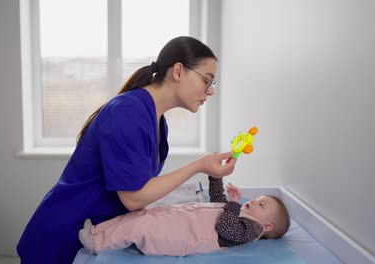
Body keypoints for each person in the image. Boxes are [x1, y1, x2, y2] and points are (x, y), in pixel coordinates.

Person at [17, 36, 237, 263]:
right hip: (64, 235)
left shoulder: (157, 121)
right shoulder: (127, 112)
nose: (210, 91)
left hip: (95, 233)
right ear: (178, 71)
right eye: (207, 80)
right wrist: (199, 165)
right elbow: (134, 197)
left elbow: (142, 189)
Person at [78, 176, 291, 256]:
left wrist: (234, 204)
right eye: (259, 199)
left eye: (261, 204)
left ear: (267, 226)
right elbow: (216, 200)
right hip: (176, 219)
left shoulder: (248, 231)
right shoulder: (239, 214)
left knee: (139, 228)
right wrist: (216, 177)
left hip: (179, 236)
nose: (254, 201)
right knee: (137, 216)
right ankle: (98, 230)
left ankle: (97, 243)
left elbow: (224, 228)